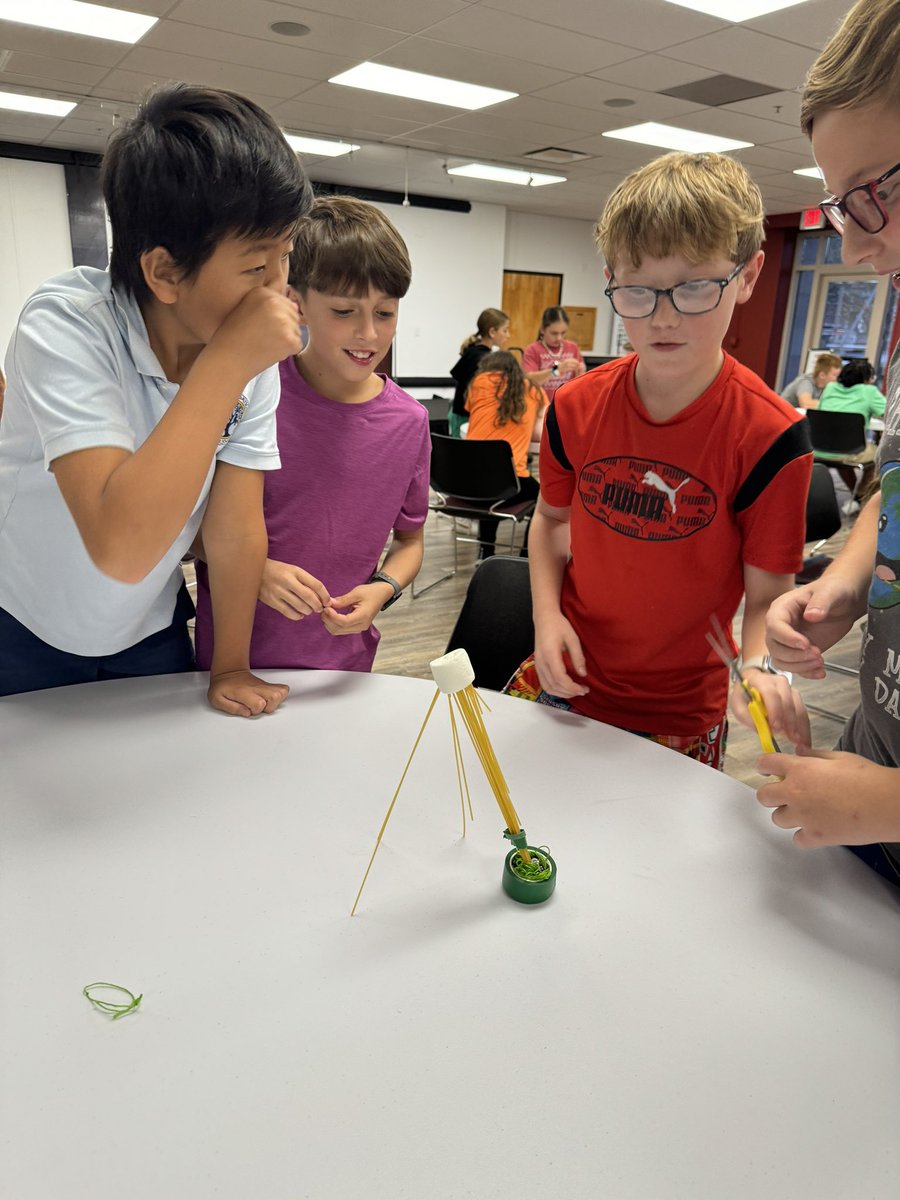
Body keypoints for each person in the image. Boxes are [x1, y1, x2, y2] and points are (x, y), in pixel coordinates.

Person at [0, 84, 308, 716]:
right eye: (256, 268)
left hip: (148, 630)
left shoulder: (247, 356)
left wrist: (232, 665)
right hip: (24, 625)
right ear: (164, 271)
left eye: (286, 257)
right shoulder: (65, 324)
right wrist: (227, 364)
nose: (277, 293)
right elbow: (121, 544)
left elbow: (233, 527)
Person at [506, 151, 813, 770]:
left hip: (678, 712)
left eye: (697, 286)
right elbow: (551, 522)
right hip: (561, 677)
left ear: (749, 276)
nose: (664, 315)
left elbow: (767, 593)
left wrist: (756, 667)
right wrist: (545, 617)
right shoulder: (576, 406)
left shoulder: (772, 437)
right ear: (612, 279)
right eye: (638, 290)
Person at [759, 0, 900, 876]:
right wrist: (850, 581)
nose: (853, 245)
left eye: (876, 196)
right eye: (839, 205)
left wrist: (888, 804)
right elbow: (894, 487)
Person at [194, 197, 430, 674]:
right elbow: (187, 526)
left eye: (385, 313)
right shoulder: (247, 394)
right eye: (344, 311)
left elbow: (410, 542)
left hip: (344, 666)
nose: (368, 334)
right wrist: (251, 569)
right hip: (233, 662)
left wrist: (383, 589)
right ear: (296, 304)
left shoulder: (409, 421)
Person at [464, 350, 543, 556]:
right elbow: (541, 430)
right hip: (510, 484)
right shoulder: (533, 390)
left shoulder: (477, 384)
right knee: (544, 498)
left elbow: (473, 412)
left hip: (467, 483)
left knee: (489, 482)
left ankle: (486, 551)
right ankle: (525, 556)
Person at [449, 308, 510, 437]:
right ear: (492, 332)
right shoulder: (483, 359)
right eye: (505, 330)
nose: (508, 335)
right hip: (466, 418)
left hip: (459, 415)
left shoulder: (473, 351)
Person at [522, 306, 585, 402]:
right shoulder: (532, 350)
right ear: (543, 329)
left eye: (563, 333)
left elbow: (580, 383)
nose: (559, 338)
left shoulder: (573, 348)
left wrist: (581, 373)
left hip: (566, 404)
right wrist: (556, 371)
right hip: (541, 406)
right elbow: (529, 381)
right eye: (554, 333)